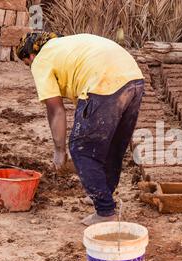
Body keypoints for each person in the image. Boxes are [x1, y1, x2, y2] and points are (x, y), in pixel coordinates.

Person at [16, 32, 145, 226]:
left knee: (81, 148)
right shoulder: (65, 44)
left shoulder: (40, 60)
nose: (30, 68)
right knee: (112, 146)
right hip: (134, 78)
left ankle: (105, 211)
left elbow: (56, 109)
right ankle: (103, 193)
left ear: (31, 57)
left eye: (27, 64)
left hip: (103, 82)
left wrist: (59, 150)